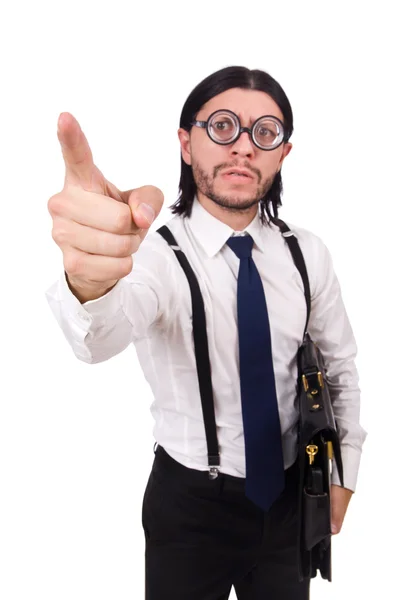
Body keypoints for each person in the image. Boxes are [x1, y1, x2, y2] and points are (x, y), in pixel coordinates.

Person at [45, 65, 367, 599]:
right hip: (190, 509)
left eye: (264, 132)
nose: (243, 146)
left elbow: (340, 370)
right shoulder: (153, 255)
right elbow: (99, 340)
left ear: (282, 153)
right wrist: (89, 280)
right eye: (222, 126)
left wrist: (344, 470)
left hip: (291, 497)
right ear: (186, 144)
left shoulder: (307, 254)